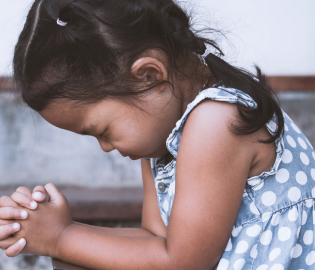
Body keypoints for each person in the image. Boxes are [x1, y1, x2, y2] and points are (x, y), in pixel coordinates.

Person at [0, 0, 314, 269]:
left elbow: (180, 262)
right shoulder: (163, 136)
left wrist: (61, 238)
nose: (106, 147)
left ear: (149, 76)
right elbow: (155, 240)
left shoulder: (217, 121)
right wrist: (55, 231)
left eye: (102, 131)